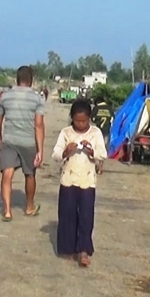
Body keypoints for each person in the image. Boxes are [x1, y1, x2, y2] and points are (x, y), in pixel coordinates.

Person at [52, 99, 107, 267]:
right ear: (72, 118)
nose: (81, 124)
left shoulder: (95, 133)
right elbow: (55, 154)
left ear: (89, 118)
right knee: (67, 214)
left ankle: (84, 250)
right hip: (68, 179)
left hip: (87, 180)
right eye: (77, 121)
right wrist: (66, 151)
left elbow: (102, 154)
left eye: (84, 121)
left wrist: (92, 151)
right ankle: (68, 248)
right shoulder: (66, 132)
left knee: (86, 216)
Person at [0, 66, 45, 221]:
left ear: (17, 79)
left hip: (9, 140)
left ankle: (8, 211)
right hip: (29, 142)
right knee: (30, 175)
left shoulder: (5, 97)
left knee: (7, 175)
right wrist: (40, 150)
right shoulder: (37, 98)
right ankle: (29, 207)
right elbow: (38, 125)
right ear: (31, 80)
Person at [90, 96, 112, 173]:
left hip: (97, 131)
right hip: (106, 131)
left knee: (95, 148)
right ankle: (100, 168)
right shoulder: (109, 108)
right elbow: (112, 119)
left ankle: (94, 165)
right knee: (103, 149)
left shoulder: (96, 108)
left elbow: (92, 119)